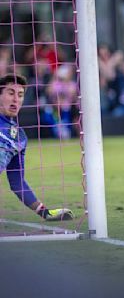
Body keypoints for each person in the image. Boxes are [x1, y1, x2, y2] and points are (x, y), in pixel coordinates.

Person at [0, 74, 74, 221]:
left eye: (20, 95)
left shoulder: (20, 138)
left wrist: (43, 212)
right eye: (11, 93)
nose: (16, 99)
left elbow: (17, 181)